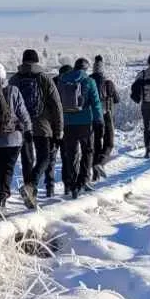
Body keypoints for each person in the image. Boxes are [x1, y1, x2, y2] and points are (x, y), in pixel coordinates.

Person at [11, 49, 63, 201]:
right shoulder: (44, 79)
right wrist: (59, 130)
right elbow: (57, 106)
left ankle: (30, 194)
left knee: (27, 161)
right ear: (37, 61)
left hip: (22, 127)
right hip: (43, 126)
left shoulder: (14, 79)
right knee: (45, 158)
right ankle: (31, 186)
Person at [0, 63, 33, 211]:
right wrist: (27, 128)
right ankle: (2, 200)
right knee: (8, 169)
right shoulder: (13, 90)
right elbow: (22, 112)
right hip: (14, 138)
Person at [56, 57, 102, 197]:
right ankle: (82, 181)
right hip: (85, 123)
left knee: (71, 154)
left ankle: (71, 183)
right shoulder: (89, 81)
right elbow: (96, 103)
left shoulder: (62, 80)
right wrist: (98, 120)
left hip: (68, 122)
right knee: (87, 151)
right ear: (86, 68)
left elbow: (58, 101)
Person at [90, 55, 119, 179]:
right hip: (106, 115)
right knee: (109, 143)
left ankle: (95, 175)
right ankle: (100, 163)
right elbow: (117, 99)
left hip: (91, 117)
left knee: (96, 145)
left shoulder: (88, 80)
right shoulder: (108, 83)